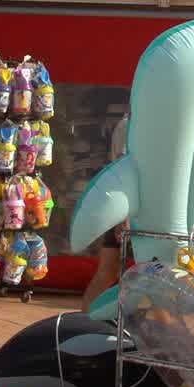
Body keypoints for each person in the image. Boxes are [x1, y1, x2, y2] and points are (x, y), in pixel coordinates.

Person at [81, 116, 130, 311]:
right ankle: (82, 322)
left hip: (127, 208)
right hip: (127, 208)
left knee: (109, 270)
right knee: (109, 270)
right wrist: (124, 217)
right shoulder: (130, 125)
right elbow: (122, 169)